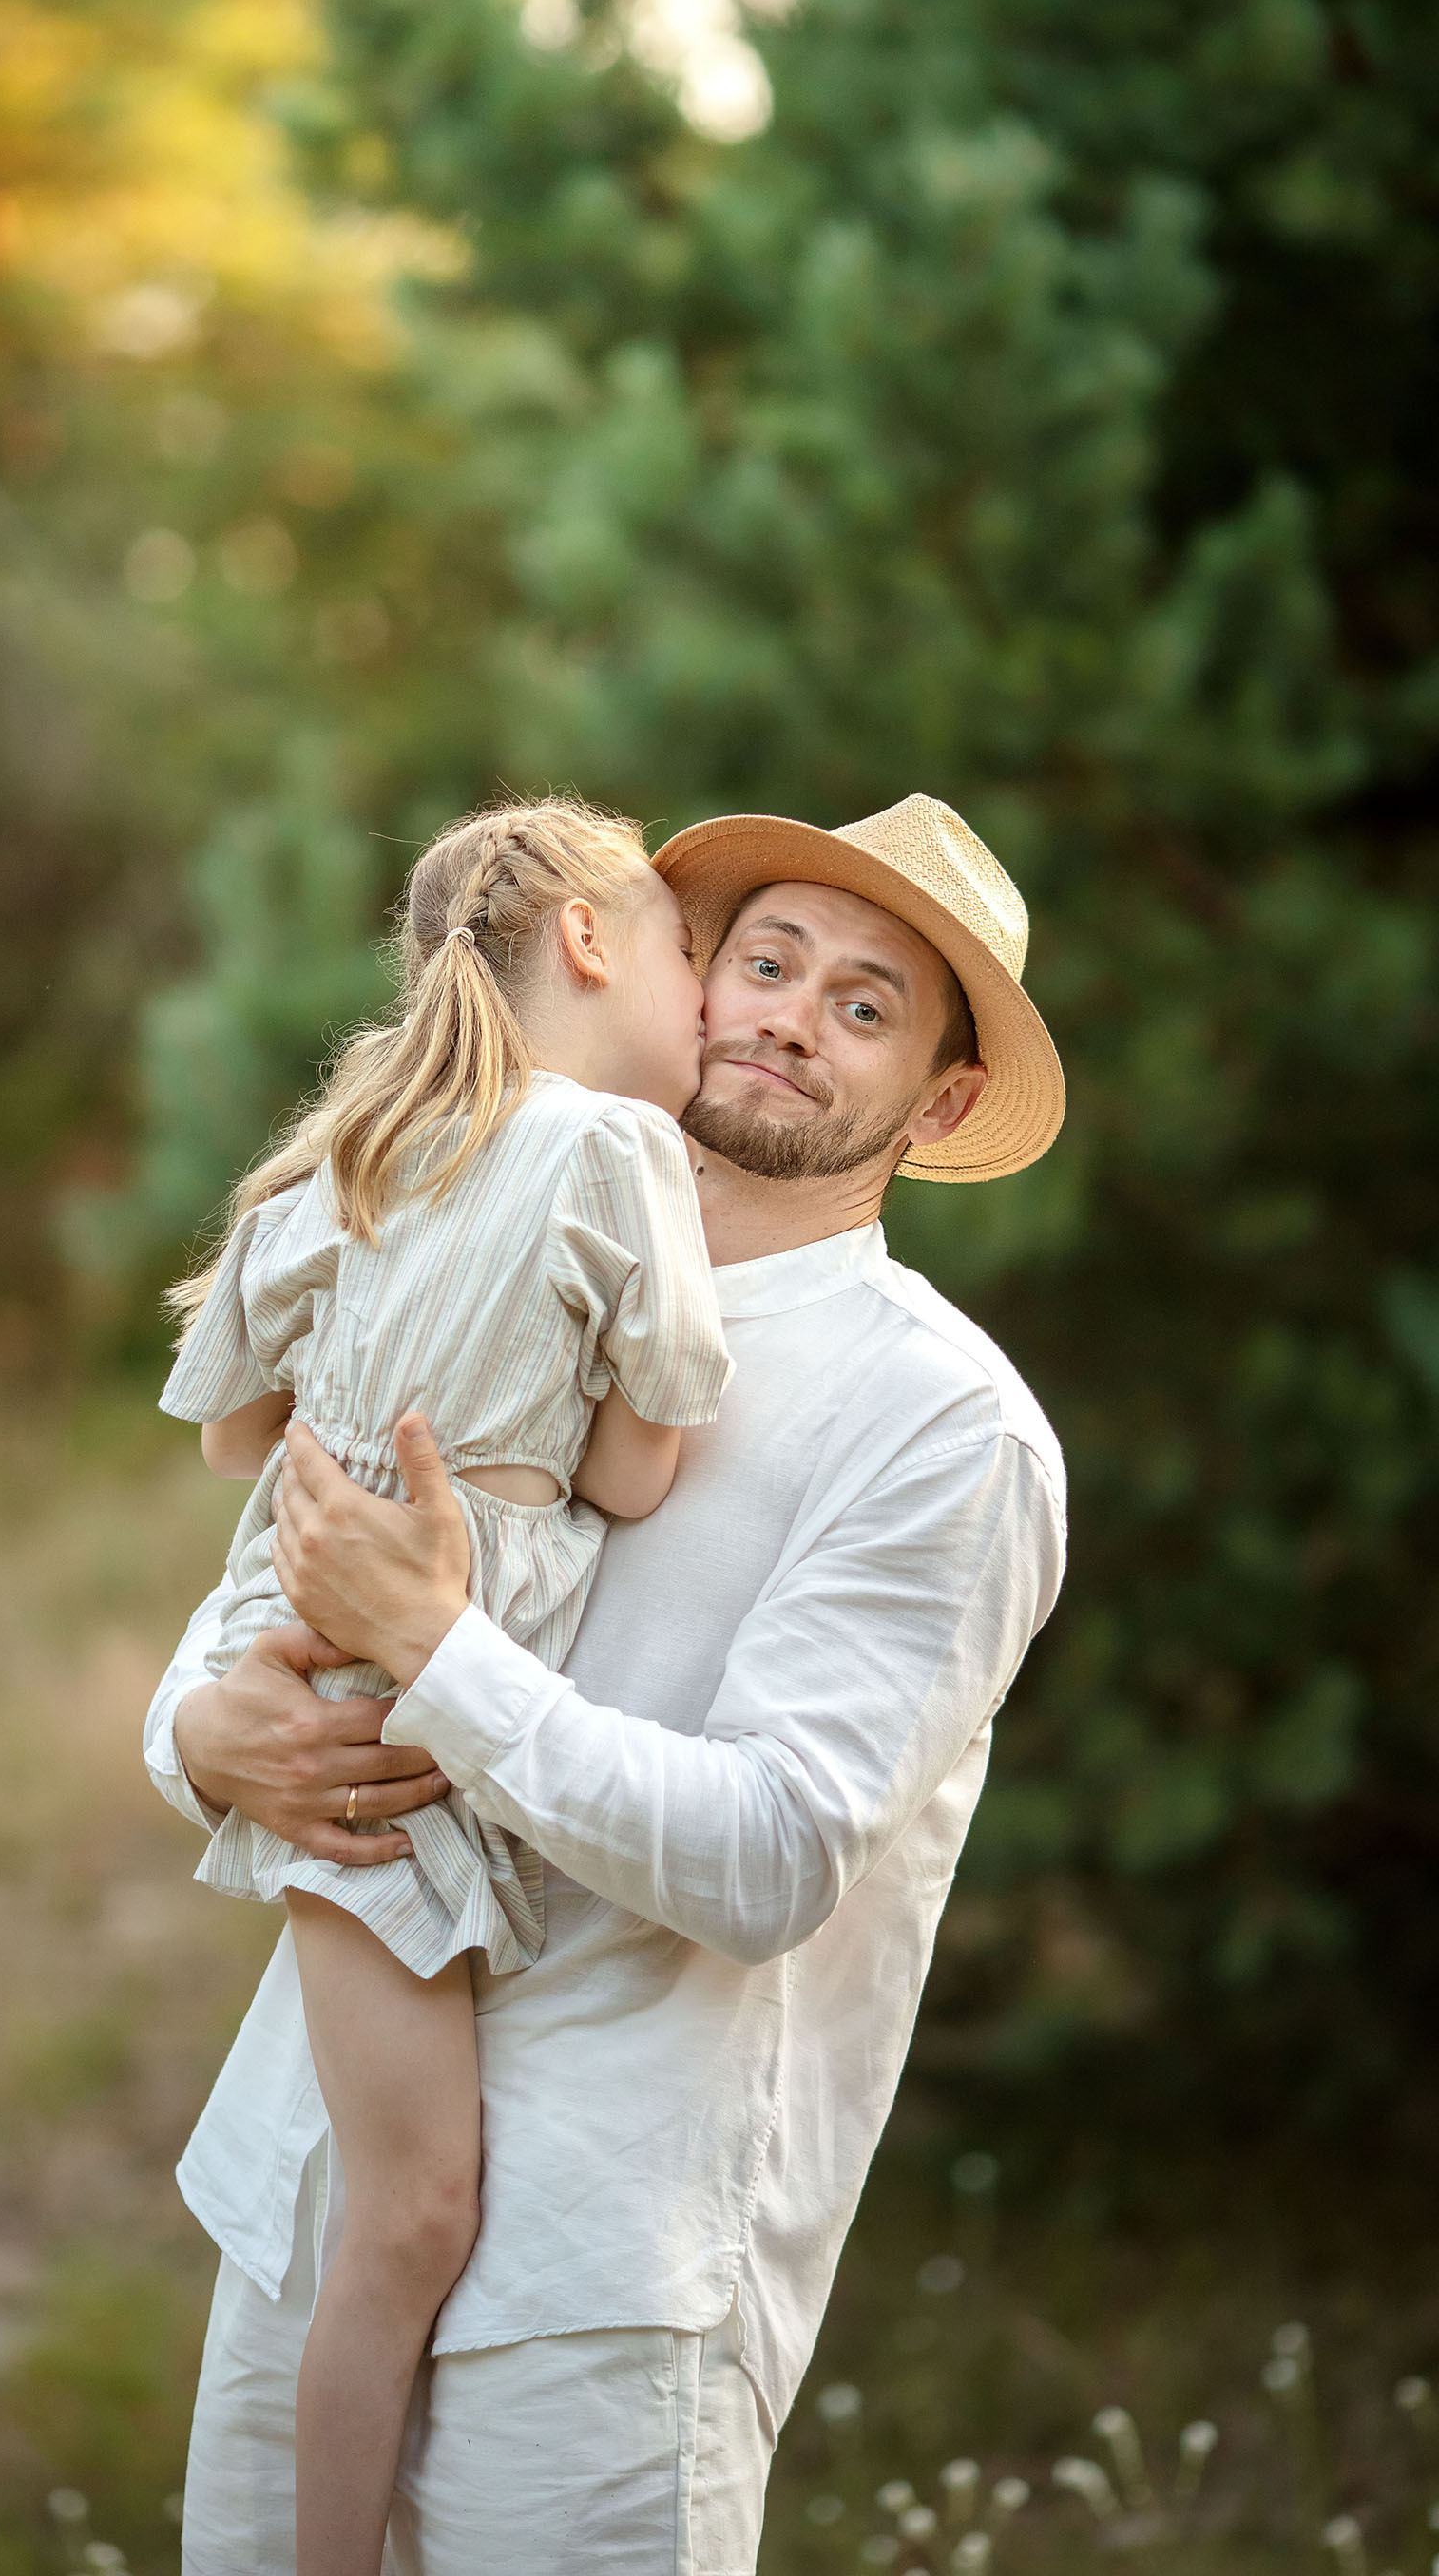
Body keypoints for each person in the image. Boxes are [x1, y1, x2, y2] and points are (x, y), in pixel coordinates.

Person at [145, 793, 1070, 2576]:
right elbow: (282, 1546)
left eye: (867, 1007)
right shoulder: (460, 1210)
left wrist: (443, 1653)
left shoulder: (945, 1430)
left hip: (600, 2280)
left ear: (940, 1105)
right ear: (682, 980)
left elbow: (772, 1860)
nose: (793, 1015)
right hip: (312, 2195)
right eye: (768, 962)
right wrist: (198, 1728)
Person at [159, 799, 733, 2576]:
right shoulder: (618, 1152)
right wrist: (510, 1479)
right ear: (583, 938)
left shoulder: (355, 1149)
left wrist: (353, 1439)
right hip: (413, 1690)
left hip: (308, 1643)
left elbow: (232, 1436)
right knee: (411, 2216)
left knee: (402, 2204)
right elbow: (641, 1476)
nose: (705, 1002)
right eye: (686, 952)